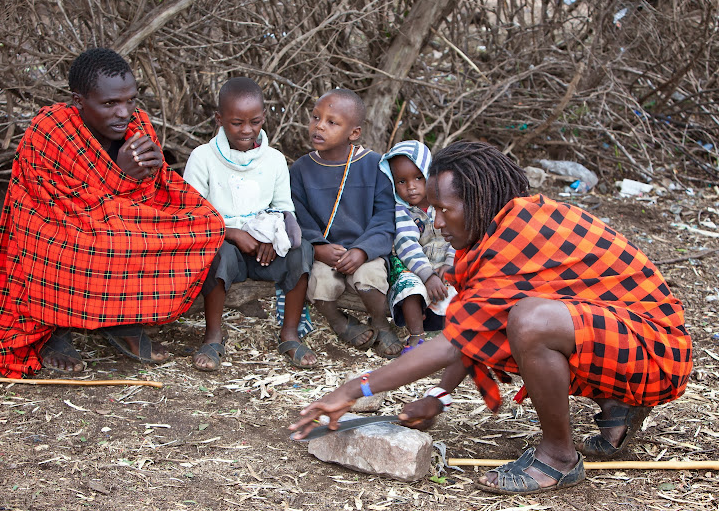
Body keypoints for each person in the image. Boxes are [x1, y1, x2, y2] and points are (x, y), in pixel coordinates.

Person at [290, 141, 692, 495]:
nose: (437, 222)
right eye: (433, 210)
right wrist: (437, 397)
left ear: (479, 199)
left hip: (659, 353)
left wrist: (350, 390)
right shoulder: (494, 230)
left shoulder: (518, 234)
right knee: (522, 320)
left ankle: (558, 457)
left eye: (445, 210)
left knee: (531, 322)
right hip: (631, 342)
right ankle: (617, 407)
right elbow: (473, 329)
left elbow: (454, 342)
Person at [0, 48, 225, 378]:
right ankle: (54, 330)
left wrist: (152, 173)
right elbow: (51, 207)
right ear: (79, 100)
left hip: (115, 223)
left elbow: (156, 193)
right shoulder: (49, 131)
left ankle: (123, 320)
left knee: (205, 223)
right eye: (110, 103)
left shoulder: (137, 125)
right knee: (98, 244)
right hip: (57, 232)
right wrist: (119, 174)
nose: (123, 112)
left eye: (130, 100)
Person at [183, 77, 316, 371]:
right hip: (224, 246)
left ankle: (289, 334)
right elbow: (191, 216)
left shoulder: (274, 159)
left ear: (264, 118)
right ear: (219, 119)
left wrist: (273, 237)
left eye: (254, 121)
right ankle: (213, 337)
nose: (247, 130)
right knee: (217, 256)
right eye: (236, 123)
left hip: (264, 249)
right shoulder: (203, 158)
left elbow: (284, 210)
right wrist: (231, 233)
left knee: (302, 251)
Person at [290, 89, 400, 358]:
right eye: (316, 117)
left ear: (354, 133)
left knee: (370, 277)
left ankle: (380, 321)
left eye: (331, 122)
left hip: (366, 252)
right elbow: (296, 216)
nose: (319, 126)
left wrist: (363, 250)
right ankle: (338, 321)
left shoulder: (374, 165)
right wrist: (317, 248)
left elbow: (385, 217)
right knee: (317, 281)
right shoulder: (300, 169)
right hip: (325, 252)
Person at [378, 140, 457, 352]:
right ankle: (416, 335)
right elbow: (406, 245)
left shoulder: (444, 203)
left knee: (461, 286)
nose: (411, 186)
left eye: (418, 178)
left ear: (430, 175)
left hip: (444, 264)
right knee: (410, 288)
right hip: (413, 266)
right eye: (401, 181)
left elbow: (457, 234)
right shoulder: (402, 211)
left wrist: (451, 264)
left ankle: (449, 334)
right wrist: (428, 276)